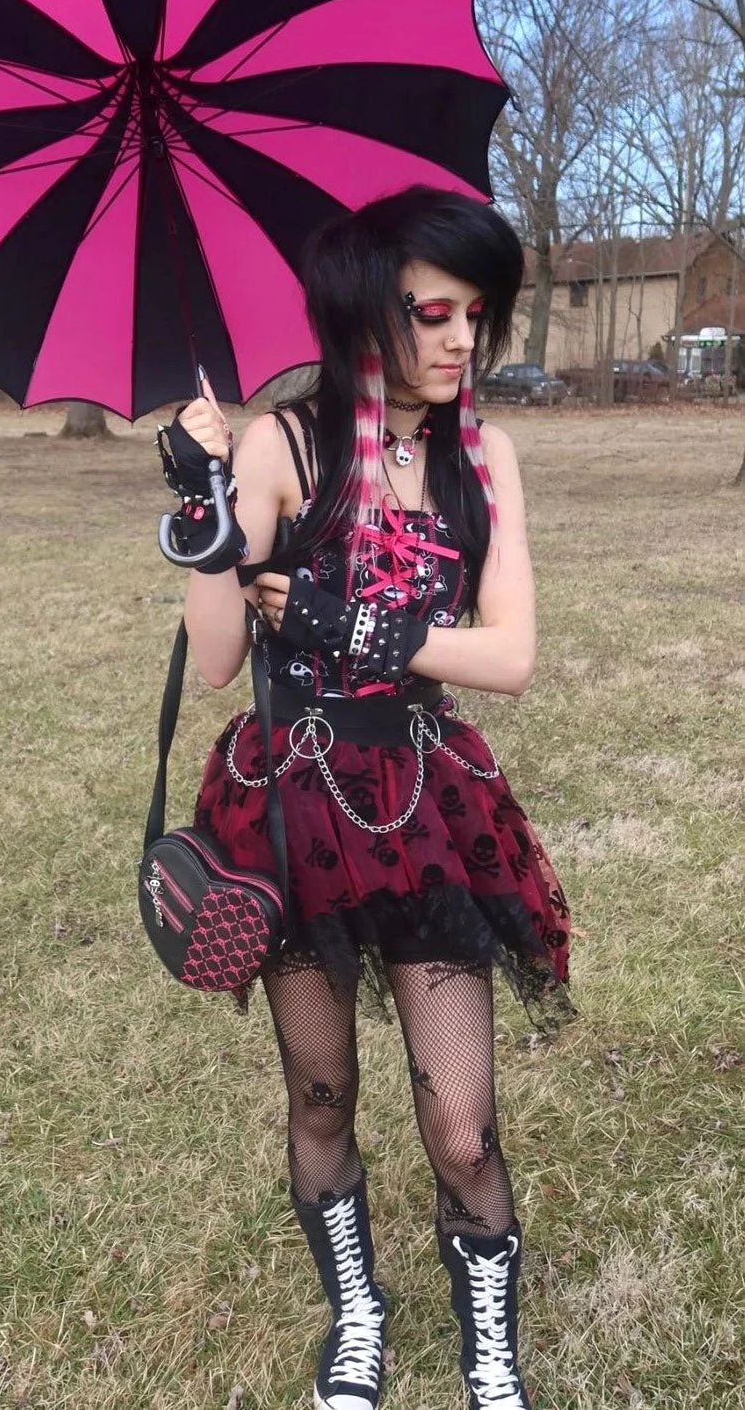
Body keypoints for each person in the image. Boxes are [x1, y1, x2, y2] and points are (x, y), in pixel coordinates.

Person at [159, 187, 574, 1410]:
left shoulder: (482, 454)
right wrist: (203, 500)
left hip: (423, 807)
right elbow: (219, 655)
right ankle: (357, 1315)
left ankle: (487, 1347)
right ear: (360, 311)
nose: (460, 340)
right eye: (431, 313)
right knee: (320, 1093)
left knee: (461, 1124)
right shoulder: (280, 447)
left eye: (474, 315)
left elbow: (508, 656)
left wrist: (356, 624)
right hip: (290, 813)